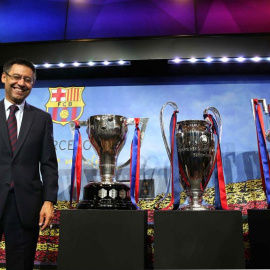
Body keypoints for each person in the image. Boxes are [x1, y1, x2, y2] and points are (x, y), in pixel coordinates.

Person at [0, 58, 59, 270]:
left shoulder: (41, 119)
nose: (21, 83)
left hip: (26, 205)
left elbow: (49, 163)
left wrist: (48, 201)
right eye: (16, 77)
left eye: (28, 79)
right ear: (4, 77)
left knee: (21, 264)